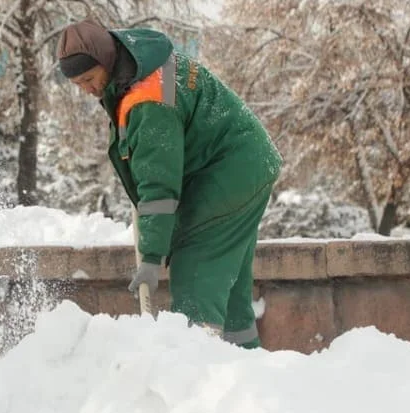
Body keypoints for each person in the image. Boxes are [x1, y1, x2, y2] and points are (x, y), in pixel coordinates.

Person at [56, 20, 281, 348]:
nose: (87, 90)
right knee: (230, 293)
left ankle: (196, 373)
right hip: (247, 164)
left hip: (230, 172)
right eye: (78, 84)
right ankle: (245, 370)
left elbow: (159, 187)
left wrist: (151, 257)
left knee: (195, 274)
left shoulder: (148, 100)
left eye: (89, 79)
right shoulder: (141, 59)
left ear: (106, 61)